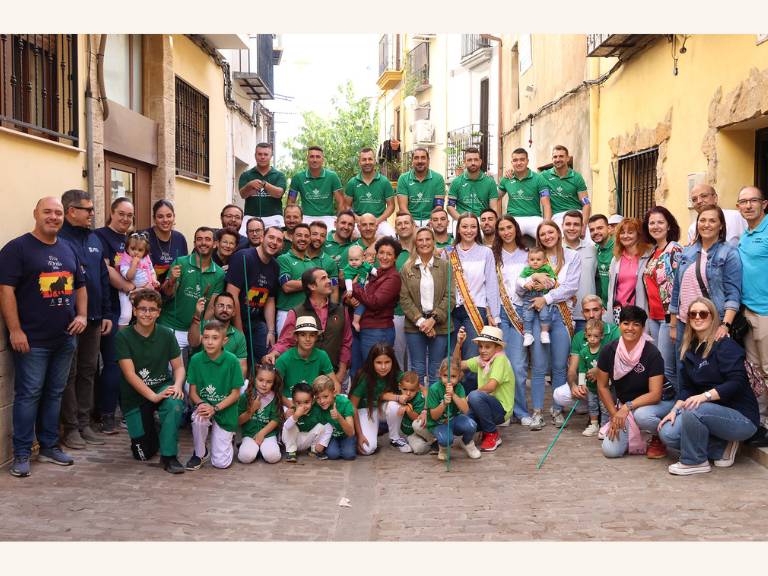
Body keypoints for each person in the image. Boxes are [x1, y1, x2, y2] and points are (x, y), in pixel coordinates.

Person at [0, 197, 87, 477]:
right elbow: (6, 291)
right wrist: (15, 330)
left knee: (54, 393)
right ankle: (22, 453)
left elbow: (80, 286)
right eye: (47, 212)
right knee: (28, 395)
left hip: (64, 338)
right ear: (35, 213)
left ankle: (49, 446)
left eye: (58, 213)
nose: (53, 217)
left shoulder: (68, 248)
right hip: (31, 340)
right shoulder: (17, 249)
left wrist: (82, 316)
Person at [658, 297, 759, 475]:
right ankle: (721, 447)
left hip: (741, 417)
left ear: (713, 317)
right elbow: (687, 388)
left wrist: (704, 397)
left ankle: (695, 461)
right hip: (709, 413)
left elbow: (737, 383)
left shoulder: (725, 345)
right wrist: (674, 410)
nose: (698, 317)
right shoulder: (690, 349)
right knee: (668, 433)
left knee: (694, 408)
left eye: (703, 313)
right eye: (693, 314)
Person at [58, 189, 112, 450]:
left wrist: (106, 313)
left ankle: (84, 422)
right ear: (71, 211)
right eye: (87, 209)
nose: (92, 213)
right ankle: (70, 428)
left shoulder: (94, 238)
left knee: (89, 371)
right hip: (69, 320)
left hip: (93, 318)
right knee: (69, 373)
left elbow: (102, 276)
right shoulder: (60, 240)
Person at [115, 289, 186, 474]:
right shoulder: (123, 337)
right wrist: (152, 397)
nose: (147, 313)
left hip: (162, 387)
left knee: (175, 403)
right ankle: (153, 429)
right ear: (135, 311)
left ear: (159, 312)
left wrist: (177, 385)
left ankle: (169, 457)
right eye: (143, 309)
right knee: (143, 453)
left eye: (152, 309)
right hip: (135, 396)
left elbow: (178, 367)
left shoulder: (166, 334)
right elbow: (130, 374)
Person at [669, 206, 742, 385]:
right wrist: (673, 323)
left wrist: (725, 325)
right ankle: (681, 409)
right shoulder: (688, 251)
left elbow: (733, 292)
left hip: (711, 321)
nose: (706, 225)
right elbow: (677, 287)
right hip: (684, 321)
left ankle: (705, 410)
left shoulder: (729, 253)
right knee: (682, 368)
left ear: (721, 226)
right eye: (702, 220)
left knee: (709, 371)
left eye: (712, 221)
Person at [596, 305, 673, 459]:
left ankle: (658, 437)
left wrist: (626, 408)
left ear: (643, 328)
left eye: (636, 324)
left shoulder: (652, 353)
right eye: (626, 323)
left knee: (642, 416)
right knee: (611, 451)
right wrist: (614, 414)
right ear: (619, 325)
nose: (630, 328)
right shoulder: (608, 351)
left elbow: (655, 394)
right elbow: (602, 386)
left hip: (661, 403)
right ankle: (642, 435)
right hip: (627, 407)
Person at [525, 220, 581, 429]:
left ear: (558, 234)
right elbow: (524, 286)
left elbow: (571, 287)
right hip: (539, 315)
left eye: (551, 232)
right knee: (539, 366)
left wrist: (546, 298)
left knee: (559, 366)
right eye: (543, 233)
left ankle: (557, 409)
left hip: (562, 315)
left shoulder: (572, 256)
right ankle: (538, 411)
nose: (548, 236)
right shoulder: (535, 258)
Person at [266, 267, 352, 389]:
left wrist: (340, 374)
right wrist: (274, 353)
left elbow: (346, 343)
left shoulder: (342, 310)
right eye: (323, 278)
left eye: (328, 277)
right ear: (312, 286)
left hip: (335, 374)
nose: (329, 281)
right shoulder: (296, 312)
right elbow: (286, 341)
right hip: (305, 377)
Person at [447, 213, 500, 394]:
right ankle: (452, 402)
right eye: (464, 226)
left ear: (477, 230)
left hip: (475, 310)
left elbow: (492, 284)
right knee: (452, 359)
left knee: (470, 359)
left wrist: (494, 313)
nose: (468, 230)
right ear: (458, 229)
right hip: (452, 310)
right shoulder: (449, 252)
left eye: (472, 227)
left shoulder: (486, 252)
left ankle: (469, 404)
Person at [95, 197, 134, 433]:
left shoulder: (130, 239)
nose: (126, 219)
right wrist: (131, 289)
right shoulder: (100, 236)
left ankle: (124, 409)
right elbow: (107, 270)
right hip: (111, 308)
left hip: (131, 309)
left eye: (129, 215)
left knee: (126, 361)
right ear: (112, 212)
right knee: (112, 362)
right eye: (121, 213)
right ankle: (106, 414)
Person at [159, 226, 225, 366]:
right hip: (171, 326)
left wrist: (199, 329)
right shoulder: (180, 262)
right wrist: (171, 280)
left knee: (192, 376)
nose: (203, 243)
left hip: (195, 330)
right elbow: (168, 293)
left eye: (207, 239)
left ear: (215, 244)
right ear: (194, 243)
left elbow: (211, 307)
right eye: (199, 239)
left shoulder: (219, 273)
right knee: (172, 374)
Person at [553, 295, 620, 432]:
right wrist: (574, 385)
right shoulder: (579, 337)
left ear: (603, 310)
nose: (591, 314)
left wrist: (601, 370)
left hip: (612, 385)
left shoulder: (614, 331)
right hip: (590, 386)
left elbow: (622, 362)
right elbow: (572, 370)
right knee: (559, 394)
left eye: (595, 310)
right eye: (587, 311)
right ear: (582, 313)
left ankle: (606, 412)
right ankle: (593, 410)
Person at [185, 320, 242, 470]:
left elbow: (236, 394)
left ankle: (228, 439)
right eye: (206, 337)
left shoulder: (232, 361)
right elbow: (192, 392)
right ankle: (200, 453)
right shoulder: (196, 360)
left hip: (225, 409)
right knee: (198, 418)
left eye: (215, 338)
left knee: (221, 464)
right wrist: (201, 404)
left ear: (224, 340)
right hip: (205, 405)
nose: (209, 342)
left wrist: (215, 408)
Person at [399, 227, 452, 386]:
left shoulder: (445, 266)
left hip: (440, 325)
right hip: (415, 325)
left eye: (428, 239)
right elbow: (404, 298)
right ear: (415, 243)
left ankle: (434, 407)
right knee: (417, 368)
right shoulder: (407, 267)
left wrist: (433, 320)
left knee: (437, 369)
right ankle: (419, 407)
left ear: (433, 241)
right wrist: (422, 322)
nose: (424, 243)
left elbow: (450, 297)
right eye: (420, 240)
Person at [493, 215, 532, 427]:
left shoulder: (527, 254)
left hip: (520, 313)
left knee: (517, 366)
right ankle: (504, 411)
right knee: (501, 364)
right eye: (502, 229)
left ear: (516, 229)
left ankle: (521, 410)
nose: (506, 232)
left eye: (509, 227)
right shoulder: (493, 255)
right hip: (499, 313)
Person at [737, 186, 768, 440]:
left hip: (766, 312)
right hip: (747, 312)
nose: (748, 206)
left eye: (753, 201)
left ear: (764, 204)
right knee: (755, 371)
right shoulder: (744, 235)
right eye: (743, 202)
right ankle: (762, 423)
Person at [226, 225, 282, 367]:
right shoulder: (243, 257)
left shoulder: (275, 267)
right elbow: (232, 294)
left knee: (265, 362)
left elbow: (270, 299)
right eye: (271, 237)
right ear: (262, 237)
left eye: (279, 240)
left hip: (256, 322)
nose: (274, 242)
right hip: (234, 321)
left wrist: (271, 331)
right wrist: (239, 331)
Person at [455, 326, 515, 452]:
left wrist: (468, 397)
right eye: (481, 346)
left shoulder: (500, 359)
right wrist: (459, 344)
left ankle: (492, 434)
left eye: (487, 347)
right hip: (484, 406)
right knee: (461, 423)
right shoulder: (481, 360)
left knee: (474, 396)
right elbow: (457, 366)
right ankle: (479, 431)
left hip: (502, 409)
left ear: (498, 348)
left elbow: (492, 386)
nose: (482, 350)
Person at [642, 206, 682, 391]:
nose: (655, 226)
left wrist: (673, 322)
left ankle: (675, 409)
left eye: (660, 222)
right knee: (659, 367)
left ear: (668, 225)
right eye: (652, 223)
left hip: (668, 319)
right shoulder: (653, 252)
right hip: (654, 318)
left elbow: (678, 287)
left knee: (668, 368)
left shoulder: (674, 250)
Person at [348, 237, 403, 373]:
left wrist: (354, 287)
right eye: (381, 253)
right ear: (376, 254)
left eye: (389, 254)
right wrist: (349, 299)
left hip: (378, 330)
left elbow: (375, 302)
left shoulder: (393, 277)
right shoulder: (374, 272)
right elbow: (350, 294)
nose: (384, 257)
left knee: (374, 373)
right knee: (358, 372)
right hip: (361, 328)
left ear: (395, 258)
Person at [349, 343, 402, 455]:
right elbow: (352, 406)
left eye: (387, 362)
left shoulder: (396, 374)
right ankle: (358, 435)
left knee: (394, 406)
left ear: (393, 361)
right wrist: (360, 435)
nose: (383, 367)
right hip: (365, 410)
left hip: (383, 410)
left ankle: (395, 438)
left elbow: (417, 387)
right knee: (367, 449)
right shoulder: (364, 376)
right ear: (371, 362)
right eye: (378, 362)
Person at [426, 357, 481, 460]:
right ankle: (443, 448)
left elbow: (465, 410)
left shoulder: (459, 387)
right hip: (438, 423)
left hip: (454, 419)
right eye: (445, 376)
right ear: (440, 374)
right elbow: (434, 416)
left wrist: (453, 395)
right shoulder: (434, 389)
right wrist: (444, 404)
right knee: (446, 440)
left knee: (472, 425)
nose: (449, 379)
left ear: (459, 376)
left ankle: (467, 442)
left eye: (453, 376)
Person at [274, 315, 338, 403]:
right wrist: (292, 406)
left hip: (315, 401)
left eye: (312, 335)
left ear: (316, 337)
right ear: (296, 337)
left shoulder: (322, 355)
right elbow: (274, 391)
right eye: (303, 335)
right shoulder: (284, 359)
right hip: (290, 401)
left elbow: (335, 384)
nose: (308, 339)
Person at [187, 292, 248, 378]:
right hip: (199, 378)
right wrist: (197, 315)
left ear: (234, 312)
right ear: (214, 308)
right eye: (221, 305)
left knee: (245, 384)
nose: (225, 309)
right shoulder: (202, 326)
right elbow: (193, 342)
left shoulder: (239, 336)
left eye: (229, 307)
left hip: (225, 381)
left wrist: (232, 386)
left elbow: (242, 367)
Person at [606, 218, 652, 323]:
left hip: (639, 310)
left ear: (638, 235)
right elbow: (611, 289)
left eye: (630, 232)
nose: (626, 236)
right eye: (622, 233)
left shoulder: (647, 257)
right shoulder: (616, 259)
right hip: (619, 311)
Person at [498, 147, 552, 238]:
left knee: (547, 237)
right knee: (503, 238)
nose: (519, 163)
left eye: (522, 160)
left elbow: (546, 204)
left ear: (527, 161)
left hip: (534, 218)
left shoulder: (539, 179)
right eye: (515, 160)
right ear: (512, 163)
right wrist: (499, 218)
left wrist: (546, 223)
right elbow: (496, 198)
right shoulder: (506, 179)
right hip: (513, 218)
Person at [288, 146, 343, 230]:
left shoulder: (332, 176)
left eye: (318, 157)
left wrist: (339, 219)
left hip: (327, 218)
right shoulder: (298, 177)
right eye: (311, 156)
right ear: (307, 159)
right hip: (306, 218)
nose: (314, 160)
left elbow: (341, 202)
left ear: (323, 159)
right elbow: (290, 201)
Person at [540, 145, 590, 238]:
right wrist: (510, 173)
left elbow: (586, 203)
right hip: (558, 216)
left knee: (589, 242)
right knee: (561, 239)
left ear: (567, 158)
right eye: (555, 157)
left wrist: (584, 225)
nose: (558, 159)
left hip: (576, 213)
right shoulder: (544, 176)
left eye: (561, 156)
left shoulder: (577, 177)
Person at [344, 147, 396, 237]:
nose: (367, 162)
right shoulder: (352, 182)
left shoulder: (384, 181)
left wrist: (378, 220)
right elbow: (347, 206)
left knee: (391, 237)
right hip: (359, 222)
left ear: (374, 161)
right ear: (359, 162)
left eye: (370, 159)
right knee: (348, 237)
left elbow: (391, 206)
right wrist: (357, 218)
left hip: (380, 222)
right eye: (364, 160)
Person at [237, 364, 283, 464]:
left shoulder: (274, 397)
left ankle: (266, 448)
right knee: (246, 457)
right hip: (250, 434)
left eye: (269, 382)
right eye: (260, 380)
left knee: (272, 457)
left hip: (268, 434)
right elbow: (239, 421)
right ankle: (254, 449)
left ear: (273, 383)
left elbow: (276, 419)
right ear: (254, 379)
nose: (264, 384)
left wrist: (262, 433)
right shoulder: (246, 396)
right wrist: (252, 409)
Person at [238, 142, 288, 229]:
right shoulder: (246, 175)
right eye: (259, 154)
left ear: (271, 156)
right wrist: (249, 185)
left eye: (266, 154)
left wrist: (264, 184)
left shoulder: (279, 175)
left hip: (274, 216)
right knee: (243, 239)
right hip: (251, 216)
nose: (262, 157)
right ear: (255, 155)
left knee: (278, 239)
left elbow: (279, 193)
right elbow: (242, 195)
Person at [383, 372, 435, 455]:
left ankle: (434, 441)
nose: (408, 393)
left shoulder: (419, 398)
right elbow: (382, 396)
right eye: (405, 389)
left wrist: (408, 410)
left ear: (418, 389)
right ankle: (429, 445)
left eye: (412, 390)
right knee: (419, 449)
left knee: (417, 424)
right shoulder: (399, 395)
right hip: (411, 433)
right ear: (400, 386)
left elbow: (417, 418)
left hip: (423, 429)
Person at [562, 210, 596, 334]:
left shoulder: (592, 249)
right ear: (562, 226)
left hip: (588, 316)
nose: (572, 228)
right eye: (568, 224)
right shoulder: (554, 249)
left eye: (576, 224)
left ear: (582, 227)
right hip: (561, 316)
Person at [281, 381, 332, 463]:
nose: (303, 406)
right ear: (293, 402)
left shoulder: (316, 411)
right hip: (294, 441)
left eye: (306, 402)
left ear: (312, 400)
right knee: (289, 425)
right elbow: (286, 428)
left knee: (322, 426)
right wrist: (295, 416)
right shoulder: (292, 411)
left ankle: (314, 450)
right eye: (298, 403)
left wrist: (322, 443)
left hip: (307, 440)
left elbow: (328, 427)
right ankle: (291, 452)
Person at [276, 223, 313, 335]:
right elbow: (286, 286)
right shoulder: (283, 259)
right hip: (286, 313)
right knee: (284, 350)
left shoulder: (312, 264)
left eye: (306, 236)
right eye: (299, 235)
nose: (303, 239)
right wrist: (313, 284)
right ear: (292, 237)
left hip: (308, 314)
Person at [396, 147, 446, 227]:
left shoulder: (438, 178)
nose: (420, 161)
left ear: (428, 161)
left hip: (431, 219)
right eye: (416, 158)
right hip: (410, 218)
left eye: (423, 158)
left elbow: (439, 206)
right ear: (412, 161)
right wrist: (412, 222)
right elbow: (403, 207)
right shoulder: (403, 178)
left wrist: (432, 221)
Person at [517, 247, 558, 346]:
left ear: (544, 261)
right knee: (527, 315)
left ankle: (544, 332)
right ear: (528, 261)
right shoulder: (527, 270)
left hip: (542, 296)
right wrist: (525, 284)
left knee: (544, 314)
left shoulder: (547, 268)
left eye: (538, 260)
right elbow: (519, 280)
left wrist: (545, 285)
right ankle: (528, 334)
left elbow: (553, 281)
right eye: (532, 260)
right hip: (529, 297)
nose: (535, 262)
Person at [577, 318, 611, 436]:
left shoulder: (605, 350)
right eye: (589, 335)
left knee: (604, 406)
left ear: (601, 336)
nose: (592, 338)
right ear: (586, 335)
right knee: (592, 405)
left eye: (596, 336)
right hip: (591, 387)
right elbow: (581, 369)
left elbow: (609, 367)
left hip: (604, 386)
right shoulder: (583, 352)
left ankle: (605, 425)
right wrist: (582, 383)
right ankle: (594, 424)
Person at [117, 232, 159, 327]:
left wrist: (154, 280)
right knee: (126, 315)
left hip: (144, 290)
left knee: (146, 313)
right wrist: (134, 264)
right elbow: (129, 276)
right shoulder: (125, 260)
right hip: (127, 292)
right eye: (133, 249)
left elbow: (151, 271)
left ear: (145, 251)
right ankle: (122, 335)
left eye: (140, 250)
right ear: (127, 248)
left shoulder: (146, 259)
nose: (136, 252)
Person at [143, 199, 188, 285]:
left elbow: (183, 269)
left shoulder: (180, 238)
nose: (165, 220)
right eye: (160, 216)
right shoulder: (144, 237)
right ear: (154, 218)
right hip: (148, 292)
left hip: (173, 292)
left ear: (174, 217)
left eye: (169, 216)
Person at [446, 147, 498, 220]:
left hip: (482, 221)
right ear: (464, 162)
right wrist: (461, 220)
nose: (473, 163)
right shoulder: (456, 182)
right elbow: (450, 206)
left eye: (476, 160)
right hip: (462, 220)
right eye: (469, 160)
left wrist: (490, 221)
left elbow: (494, 207)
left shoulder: (490, 182)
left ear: (480, 161)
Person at [392, 212, 416, 370]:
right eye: (399, 223)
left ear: (413, 225)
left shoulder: (423, 247)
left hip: (420, 313)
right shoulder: (391, 251)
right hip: (397, 312)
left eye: (406, 223)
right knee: (398, 356)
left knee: (418, 358)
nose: (403, 226)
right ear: (395, 228)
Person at [313, 374, 356, 461]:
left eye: (325, 396)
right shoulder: (316, 405)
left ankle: (353, 444)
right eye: (318, 398)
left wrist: (339, 417)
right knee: (333, 455)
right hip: (331, 436)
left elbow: (351, 432)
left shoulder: (345, 403)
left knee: (349, 455)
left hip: (346, 435)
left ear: (334, 393)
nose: (322, 401)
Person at [344, 244, 375, 332]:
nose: (353, 262)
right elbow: (348, 280)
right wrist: (349, 289)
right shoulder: (349, 268)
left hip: (364, 287)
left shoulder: (365, 265)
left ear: (363, 259)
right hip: (355, 289)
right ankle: (355, 321)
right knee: (361, 304)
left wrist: (378, 274)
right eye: (351, 260)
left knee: (363, 303)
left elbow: (372, 270)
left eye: (356, 260)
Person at [307, 220, 339, 303]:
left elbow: (334, 290)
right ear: (308, 235)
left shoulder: (330, 262)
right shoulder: (298, 256)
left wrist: (333, 311)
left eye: (322, 236)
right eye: (314, 234)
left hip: (320, 309)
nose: (318, 238)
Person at [588, 214, 614, 309]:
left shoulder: (618, 248)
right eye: (592, 230)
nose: (595, 232)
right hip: (603, 307)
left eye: (600, 228)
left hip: (619, 306)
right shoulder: (595, 249)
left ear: (609, 228)